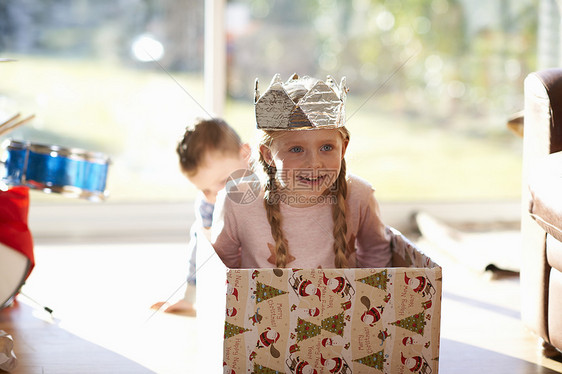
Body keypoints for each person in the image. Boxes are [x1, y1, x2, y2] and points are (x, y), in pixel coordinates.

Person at [211, 73, 392, 269]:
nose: (314, 163)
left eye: (327, 147)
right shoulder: (238, 200)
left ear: (343, 148)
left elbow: (377, 256)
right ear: (268, 155)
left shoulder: (359, 195)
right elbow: (221, 271)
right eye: (296, 149)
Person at [151, 117, 250, 314]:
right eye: (204, 189)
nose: (215, 195)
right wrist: (189, 297)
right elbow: (200, 247)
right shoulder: (208, 204)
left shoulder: (268, 188)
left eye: (223, 182)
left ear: (245, 154)